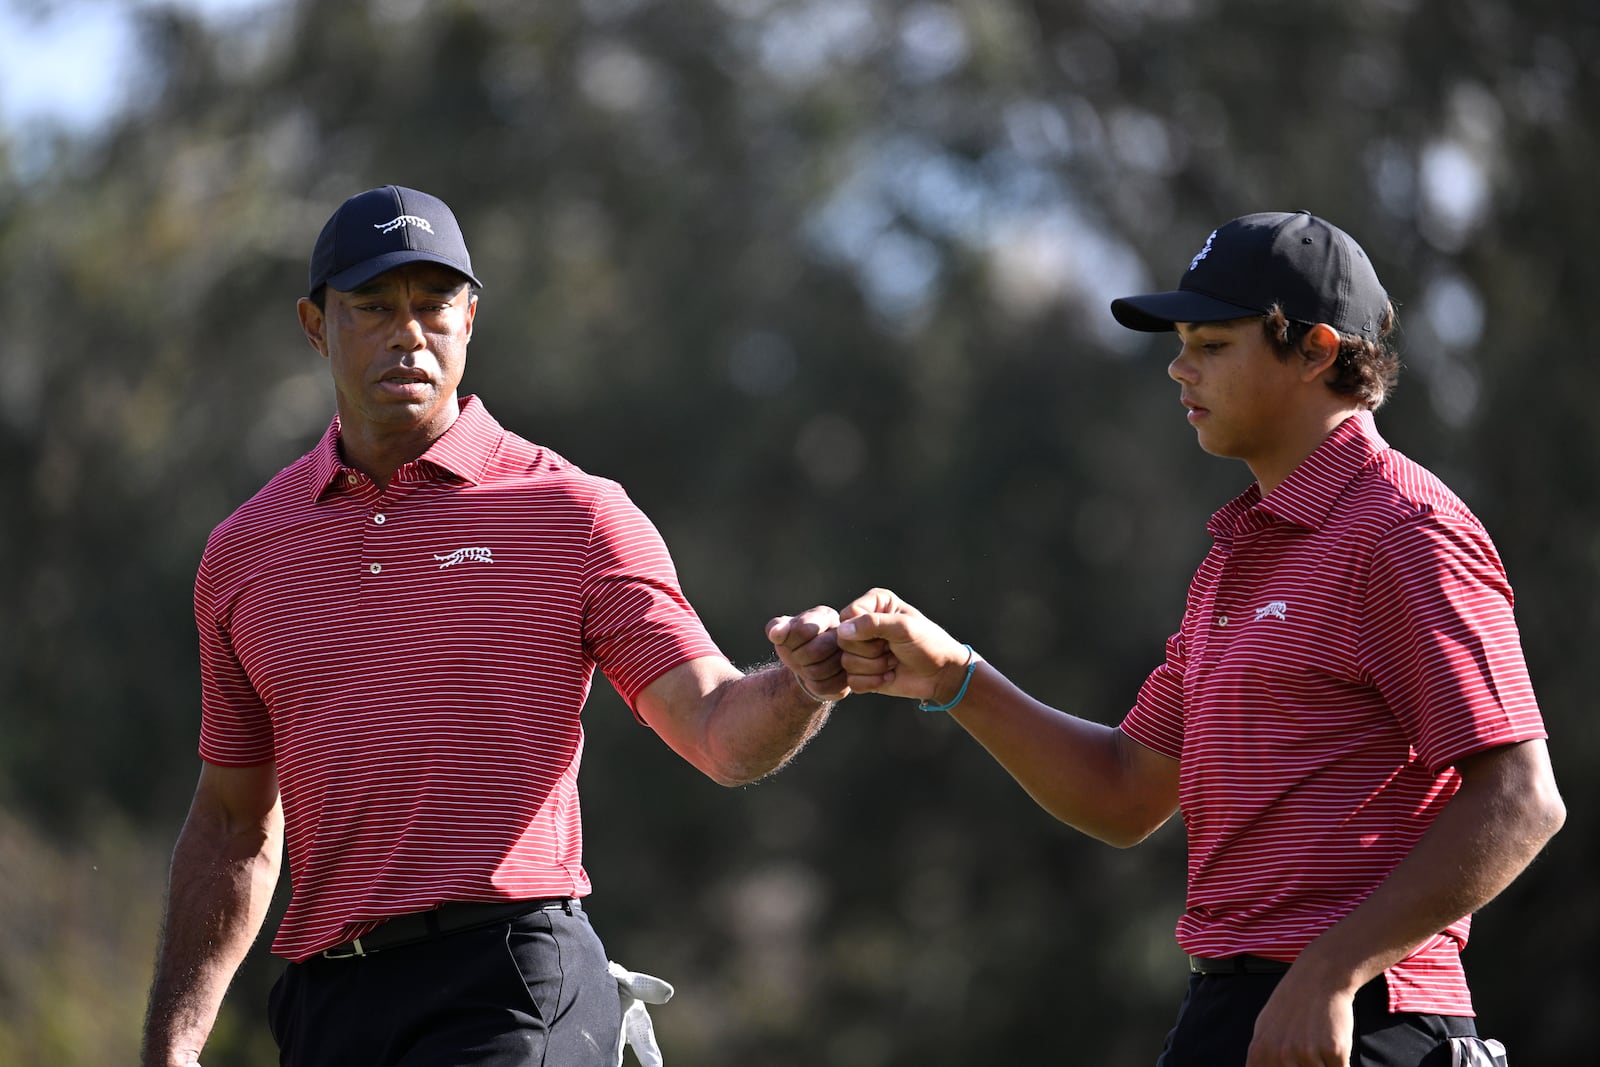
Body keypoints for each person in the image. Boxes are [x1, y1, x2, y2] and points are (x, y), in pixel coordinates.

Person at [821, 212, 1565, 1066]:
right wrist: (956, 676)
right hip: (1236, 1006)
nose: (1179, 369)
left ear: (1318, 350)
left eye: (1211, 344)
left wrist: (1330, 971)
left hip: (1364, 1016)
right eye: (1181, 342)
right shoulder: (1237, 554)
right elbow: (1127, 789)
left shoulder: (1404, 530)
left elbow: (1520, 797)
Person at [141, 185, 849, 1067]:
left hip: (508, 979)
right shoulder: (247, 552)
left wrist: (802, 684)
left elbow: (716, 728)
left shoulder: (574, 514)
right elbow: (232, 823)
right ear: (316, 325)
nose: (409, 332)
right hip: (328, 1004)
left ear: (470, 319)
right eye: (372, 306)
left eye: (434, 305)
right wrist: (173, 1044)